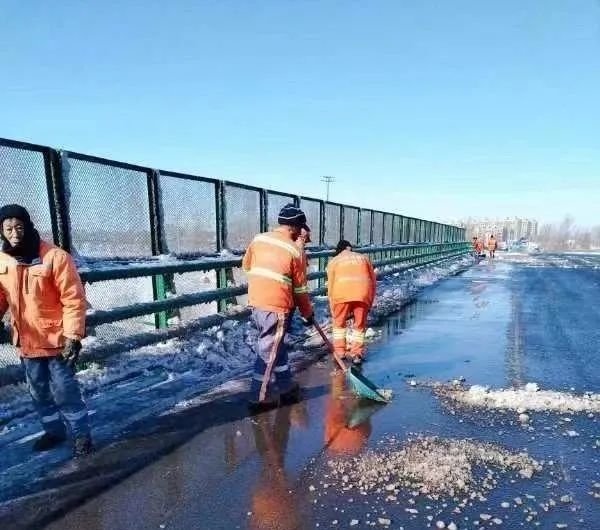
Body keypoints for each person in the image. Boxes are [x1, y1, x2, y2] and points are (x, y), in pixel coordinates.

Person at [0, 204, 92, 457]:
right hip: (28, 341)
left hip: (57, 340)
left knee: (64, 390)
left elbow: (73, 299)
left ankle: (81, 434)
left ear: (28, 226)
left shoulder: (55, 257)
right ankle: (53, 431)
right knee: (38, 390)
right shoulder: (3, 261)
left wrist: (73, 336)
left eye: (19, 227)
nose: (14, 233)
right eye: (8, 229)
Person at [242, 204, 314, 409]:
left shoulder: (259, 239)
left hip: (257, 302)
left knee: (276, 345)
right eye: (301, 227)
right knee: (269, 350)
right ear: (295, 227)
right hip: (277, 306)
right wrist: (308, 313)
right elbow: (300, 289)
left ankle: (285, 386)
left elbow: (246, 266)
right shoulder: (295, 250)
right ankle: (259, 396)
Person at [326, 239, 376, 365]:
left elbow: (330, 286)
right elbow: (373, 282)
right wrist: (369, 302)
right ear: (350, 248)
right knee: (359, 326)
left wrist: (333, 307)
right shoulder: (364, 258)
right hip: (362, 294)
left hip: (340, 295)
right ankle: (357, 354)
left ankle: (340, 353)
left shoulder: (334, 261)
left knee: (339, 326)